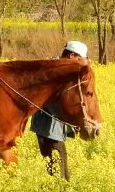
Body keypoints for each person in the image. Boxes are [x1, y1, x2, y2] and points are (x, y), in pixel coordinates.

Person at [29, 40, 89, 180]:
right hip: (48, 128)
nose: (82, 63)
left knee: (57, 167)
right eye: (80, 59)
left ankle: (58, 191)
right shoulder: (53, 71)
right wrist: (72, 120)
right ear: (72, 56)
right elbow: (51, 102)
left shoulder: (60, 69)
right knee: (58, 169)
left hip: (51, 127)